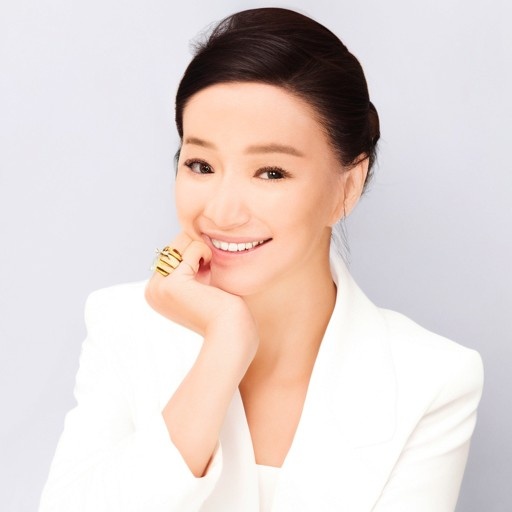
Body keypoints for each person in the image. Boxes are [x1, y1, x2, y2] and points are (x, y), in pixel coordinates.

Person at [39, 7, 483, 512]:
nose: (221, 212)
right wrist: (224, 346)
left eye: (271, 172)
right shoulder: (122, 326)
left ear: (347, 187)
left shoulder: (432, 379)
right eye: (200, 164)